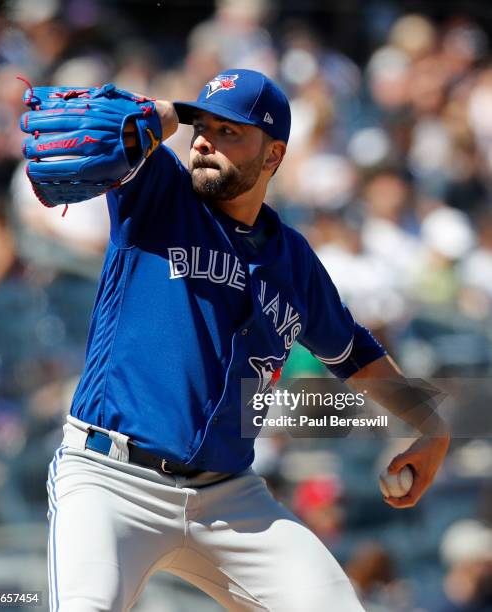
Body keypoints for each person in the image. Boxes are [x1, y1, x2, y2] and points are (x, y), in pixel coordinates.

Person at [26, 69, 450, 611]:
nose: (204, 141)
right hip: (111, 481)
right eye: (203, 127)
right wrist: (175, 112)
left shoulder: (293, 261)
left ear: (273, 156)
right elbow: (100, 134)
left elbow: (355, 353)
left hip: (228, 497)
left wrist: (432, 426)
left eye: (230, 132)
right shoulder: (159, 192)